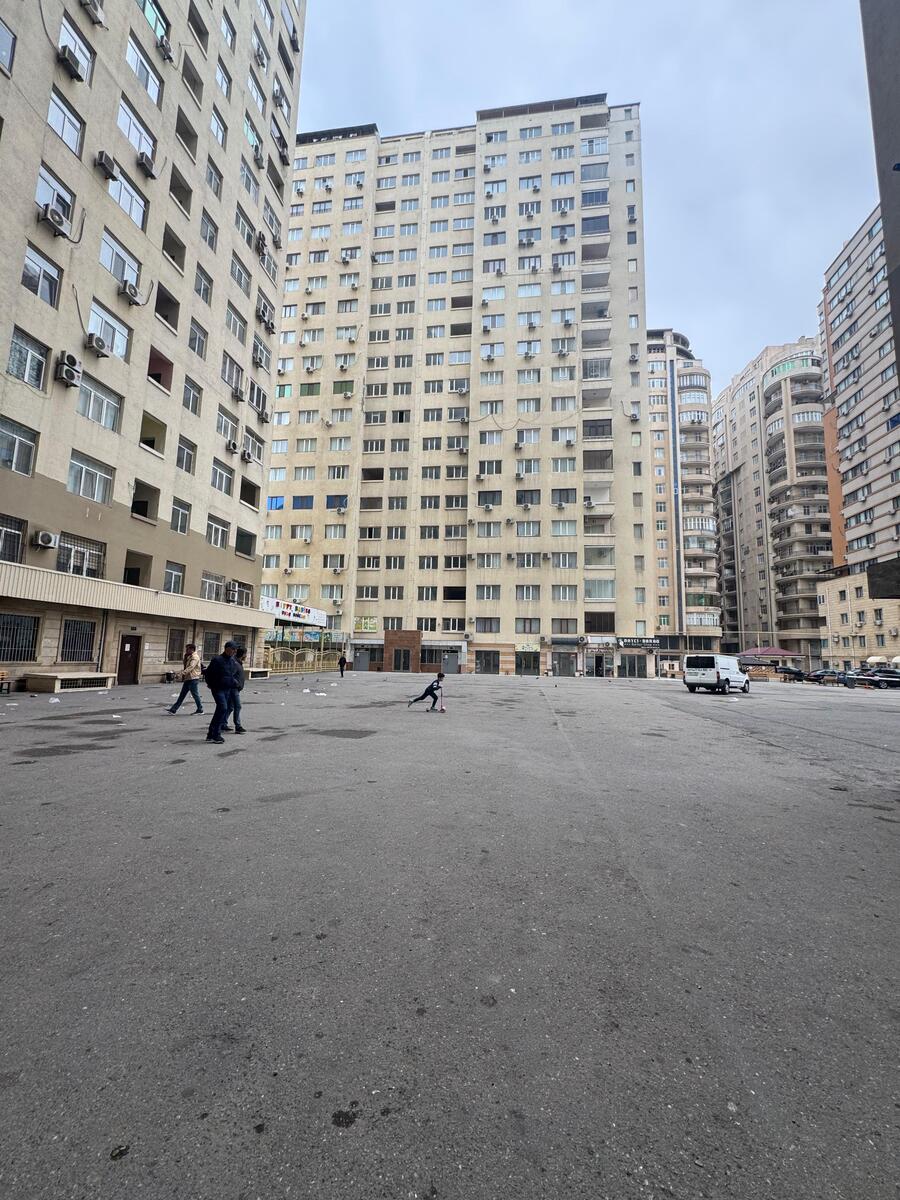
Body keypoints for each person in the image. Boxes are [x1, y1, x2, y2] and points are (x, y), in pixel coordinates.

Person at [204, 641, 240, 744]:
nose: (235, 651)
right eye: (233, 649)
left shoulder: (232, 661)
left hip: (227, 688)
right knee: (223, 708)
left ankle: (211, 733)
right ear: (227, 649)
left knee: (220, 710)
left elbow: (231, 675)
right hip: (218, 688)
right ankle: (216, 734)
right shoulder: (217, 660)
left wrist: (234, 683)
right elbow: (208, 673)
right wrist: (211, 684)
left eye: (236, 649)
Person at [168, 644, 203, 715]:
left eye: (187, 649)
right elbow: (186, 666)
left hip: (193, 678)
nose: (186, 650)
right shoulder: (189, 656)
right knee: (182, 695)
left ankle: (200, 709)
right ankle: (173, 709)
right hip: (188, 678)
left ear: (192, 649)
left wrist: (181, 674)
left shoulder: (195, 657)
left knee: (195, 695)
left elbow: (191, 667)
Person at [221, 647, 247, 734]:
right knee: (238, 706)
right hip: (233, 688)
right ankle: (238, 726)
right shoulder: (235, 663)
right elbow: (230, 675)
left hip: (236, 688)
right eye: (245, 654)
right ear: (243, 654)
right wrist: (236, 683)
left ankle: (223, 723)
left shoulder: (238, 662)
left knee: (230, 707)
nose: (246, 656)